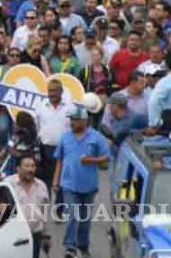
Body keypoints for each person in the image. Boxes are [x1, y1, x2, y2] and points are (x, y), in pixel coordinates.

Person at [52, 107, 111, 258]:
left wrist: (91, 160)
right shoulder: (65, 137)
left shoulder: (96, 137)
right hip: (69, 185)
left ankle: (83, 245)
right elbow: (59, 160)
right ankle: (70, 246)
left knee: (84, 219)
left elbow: (106, 157)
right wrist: (55, 181)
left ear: (84, 121)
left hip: (89, 186)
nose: (71, 122)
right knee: (72, 215)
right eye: (70, 119)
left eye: (74, 120)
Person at [5, 156, 50, 258]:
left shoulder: (41, 186)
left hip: (35, 234)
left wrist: (46, 235)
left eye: (33, 166)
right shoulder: (8, 184)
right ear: (18, 168)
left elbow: (45, 212)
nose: (30, 169)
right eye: (27, 166)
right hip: (15, 235)